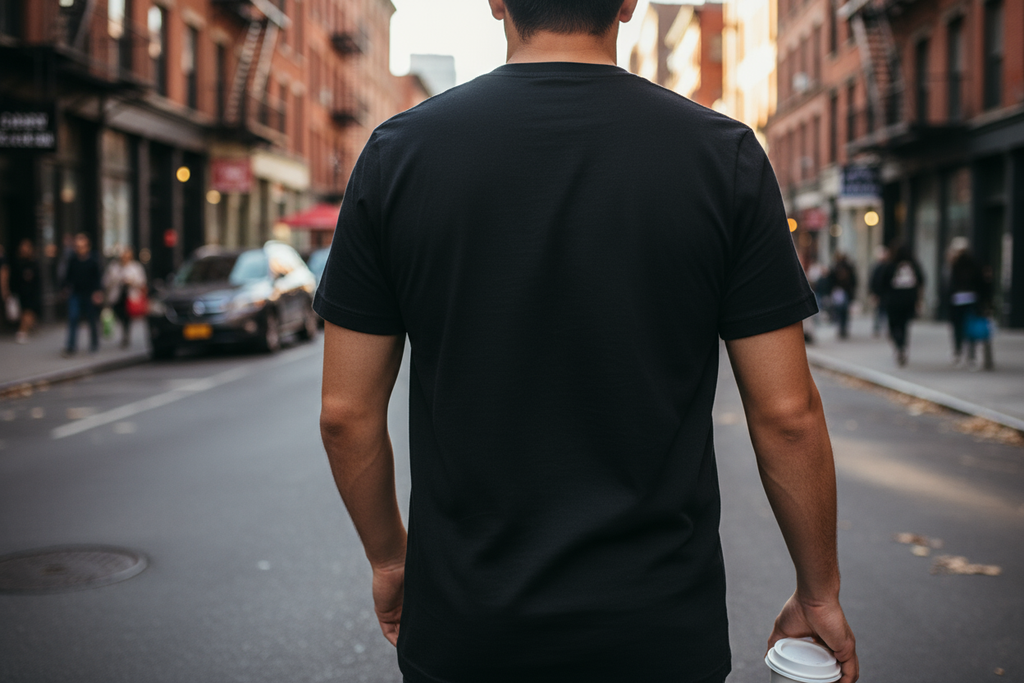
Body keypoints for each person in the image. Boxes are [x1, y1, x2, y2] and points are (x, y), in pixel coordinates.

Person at [315, 2, 858, 682]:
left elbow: (345, 413)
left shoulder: (398, 156)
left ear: (494, 1)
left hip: (467, 626)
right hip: (657, 630)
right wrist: (819, 591)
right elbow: (787, 414)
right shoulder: (725, 157)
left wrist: (392, 561)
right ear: (629, 3)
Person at [947, 238, 992, 369]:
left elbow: (950, 286)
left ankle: (959, 351)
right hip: (972, 300)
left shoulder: (955, 265)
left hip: (958, 301)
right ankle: (970, 355)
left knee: (959, 327)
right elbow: (982, 284)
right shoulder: (974, 264)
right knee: (970, 327)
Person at [881, 243, 925, 367]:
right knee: (904, 325)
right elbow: (921, 283)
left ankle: (899, 345)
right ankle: (902, 345)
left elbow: (882, 282)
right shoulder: (914, 266)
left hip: (893, 301)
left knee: (893, 325)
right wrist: (918, 300)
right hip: (908, 300)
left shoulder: (890, 266)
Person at [62, 233, 104, 356]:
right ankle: (71, 346)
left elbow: (97, 278)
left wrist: (97, 292)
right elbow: (68, 276)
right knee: (73, 317)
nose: (80, 249)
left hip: (89, 294)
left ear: (87, 246)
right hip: (75, 293)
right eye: (77, 246)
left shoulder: (93, 260)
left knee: (91, 319)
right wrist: (65, 288)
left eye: (82, 246)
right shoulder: (73, 260)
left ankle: (94, 343)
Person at [103, 246, 147, 348]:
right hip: (117, 296)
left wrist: (131, 282)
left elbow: (142, 283)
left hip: (130, 297)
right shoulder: (114, 267)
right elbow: (106, 282)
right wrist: (117, 280)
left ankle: (126, 335)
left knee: (127, 317)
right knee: (119, 315)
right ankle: (124, 332)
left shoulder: (136, 267)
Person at [11, 238, 43, 344]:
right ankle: (23, 331)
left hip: (32, 293)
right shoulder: (18, 263)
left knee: (29, 312)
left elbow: (38, 279)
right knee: (25, 312)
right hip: (22, 292)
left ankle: (23, 331)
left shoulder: (34, 263)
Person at [827, 252, 857, 339]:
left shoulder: (838, 267)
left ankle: (842, 328)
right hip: (843, 291)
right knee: (843, 311)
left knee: (840, 311)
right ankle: (842, 328)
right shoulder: (845, 267)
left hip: (841, 291)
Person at [868, 244, 890, 338]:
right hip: (879, 293)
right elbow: (873, 281)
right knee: (878, 312)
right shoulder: (877, 267)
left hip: (887, 294)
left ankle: (886, 329)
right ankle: (877, 329)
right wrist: (873, 293)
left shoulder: (889, 266)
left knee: (885, 312)